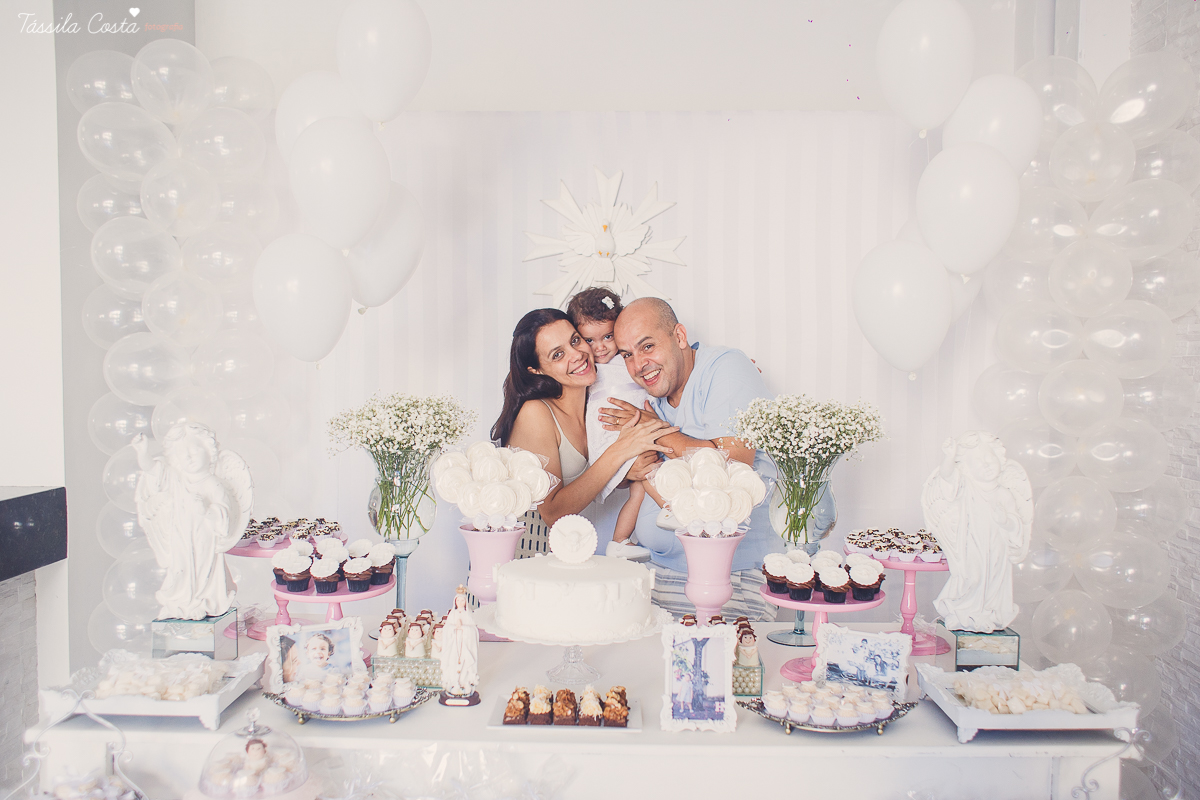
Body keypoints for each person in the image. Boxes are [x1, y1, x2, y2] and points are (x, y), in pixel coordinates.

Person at [603, 298, 783, 620]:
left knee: (725, 667)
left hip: (733, 576)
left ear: (680, 337)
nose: (638, 364)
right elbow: (636, 471)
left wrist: (651, 431)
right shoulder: (653, 395)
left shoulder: (725, 368)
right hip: (658, 570)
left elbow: (731, 465)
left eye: (647, 346)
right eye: (627, 354)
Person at [491, 308, 677, 556]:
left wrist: (630, 468)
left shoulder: (595, 405)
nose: (577, 355)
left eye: (575, 340)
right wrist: (620, 451)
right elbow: (553, 512)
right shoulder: (535, 413)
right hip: (520, 555)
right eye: (558, 354)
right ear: (536, 370)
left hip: (568, 553)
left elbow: (596, 479)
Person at [132, 423, 252, 621]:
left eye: (194, 450)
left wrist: (206, 510)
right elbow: (152, 470)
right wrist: (142, 452)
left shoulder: (212, 483)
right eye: (182, 454)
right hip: (179, 536)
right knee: (181, 570)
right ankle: (182, 603)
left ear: (208, 450)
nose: (188, 457)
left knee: (203, 571)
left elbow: (225, 515)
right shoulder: (174, 478)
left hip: (204, 539)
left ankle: (202, 600)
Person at [565, 288, 652, 549]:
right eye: (589, 340)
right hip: (609, 433)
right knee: (648, 479)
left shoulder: (629, 356)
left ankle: (619, 542)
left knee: (641, 489)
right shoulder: (583, 368)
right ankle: (673, 515)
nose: (600, 347)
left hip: (638, 423)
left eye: (608, 337)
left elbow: (670, 356)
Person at [921, 432, 1033, 633]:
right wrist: (949, 456)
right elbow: (947, 476)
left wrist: (1005, 520)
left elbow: (1017, 524)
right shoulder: (967, 487)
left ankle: (989, 613)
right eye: (979, 462)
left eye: (990, 459)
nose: (987, 465)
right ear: (967, 468)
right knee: (972, 577)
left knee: (994, 580)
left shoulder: (1003, 494)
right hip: (971, 544)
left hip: (997, 548)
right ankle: (967, 611)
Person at [439, 586, 479, 697]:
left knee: (466, 664)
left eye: (462, 600)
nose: (460, 602)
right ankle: (453, 683)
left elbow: (474, 630)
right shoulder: (452, 614)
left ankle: (465, 683)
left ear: (465, 602)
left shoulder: (468, 614)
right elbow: (446, 629)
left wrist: (463, 628)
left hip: (465, 644)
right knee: (453, 662)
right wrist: (454, 628)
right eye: (458, 600)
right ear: (455, 601)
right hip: (454, 645)